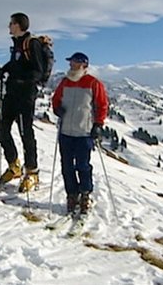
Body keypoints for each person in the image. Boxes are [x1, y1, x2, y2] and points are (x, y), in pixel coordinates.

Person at [51, 52, 108, 215]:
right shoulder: (65, 82)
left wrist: (98, 124)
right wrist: (57, 109)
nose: (71, 65)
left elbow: (102, 105)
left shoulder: (93, 83)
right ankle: (72, 195)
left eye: (74, 63)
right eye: (71, 62)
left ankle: (85, 194)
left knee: (83, 165)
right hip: (66, 131)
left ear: (84, 65)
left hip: (84, 132)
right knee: (67, 166)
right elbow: (56, 99)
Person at [0, 12, 46, 191]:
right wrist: (5, 70)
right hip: (12, 94)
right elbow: (17, 64)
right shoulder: (17, 45)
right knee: (2, 130)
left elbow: (38, 71)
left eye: (11, 23)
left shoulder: (31, 43)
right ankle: (14, 166)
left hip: (25, 95)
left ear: (18, 25)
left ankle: (32, 172)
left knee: (26, 133)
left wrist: (21, 79)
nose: (9, 26)